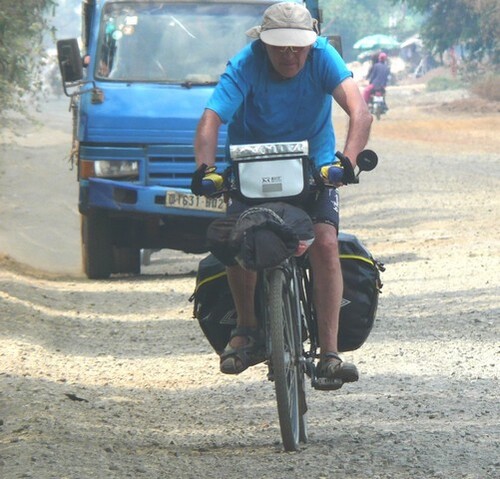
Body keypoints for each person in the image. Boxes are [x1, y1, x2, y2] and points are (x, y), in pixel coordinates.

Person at [193, 2, 372, 385]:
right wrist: (206, 171)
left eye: (298, 47)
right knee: (239, 239)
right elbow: (211, 119)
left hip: (315, 171)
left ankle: (329, 354)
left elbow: (359, 112)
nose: (290, 55)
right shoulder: (245, 64)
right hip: (251, 172)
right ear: (263, 43)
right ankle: (248, 329)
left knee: (325, 242)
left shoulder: (324, 58)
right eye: (280, 47)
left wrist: (348, 162)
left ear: (312, 43)